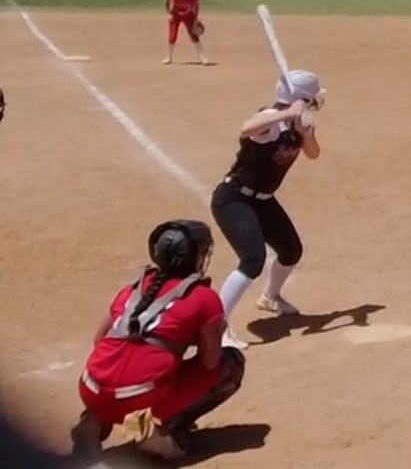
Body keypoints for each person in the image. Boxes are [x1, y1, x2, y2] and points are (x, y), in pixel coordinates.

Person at [72, 220, 246, 461]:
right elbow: (209, 361)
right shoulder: (204, 298)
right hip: (140, 401)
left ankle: (92, 422)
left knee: (121, 370)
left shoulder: (133, 288)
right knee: (230, 363)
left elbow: (99, 340)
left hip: (90, 389)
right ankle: (156, 432)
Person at [210, 70, 323, 333]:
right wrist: (286, 114)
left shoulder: (299, 124)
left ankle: (270, 297)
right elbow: (247, 128)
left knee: (291, 250)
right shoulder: (271, 120)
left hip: (263, 200)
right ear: (302, 98)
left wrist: (307, 134)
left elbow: (313, 154)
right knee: (252, 259)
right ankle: (216, 326)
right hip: (234, 198)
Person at [164, 0, 207, 66]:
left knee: (194, 36)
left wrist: (195, 19)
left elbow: (196, 6)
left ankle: (202, 58)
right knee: (172, 36)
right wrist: (169, 14)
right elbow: (167, 2)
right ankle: (169, 57)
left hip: (189, 16)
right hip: (175, 16)